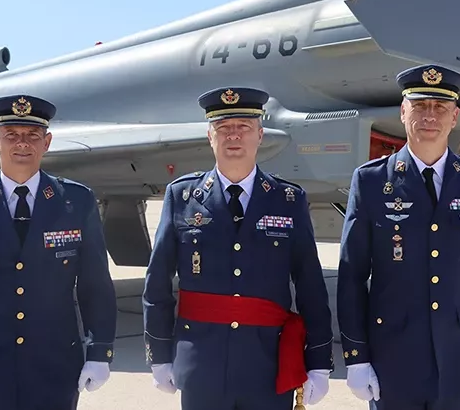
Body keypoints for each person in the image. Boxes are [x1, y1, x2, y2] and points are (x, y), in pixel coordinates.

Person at [141, 86, 334, 410]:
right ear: (210, 136)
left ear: (260, 135)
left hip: (267, 364)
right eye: (223, 128)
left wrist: (318, 361)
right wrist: (159, 354)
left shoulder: (288, 200)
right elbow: (157, 282)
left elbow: (310, 285)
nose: (233, 136)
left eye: (243, 128)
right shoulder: (182, 197)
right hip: (201, 362)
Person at [0, 94, 118, 410]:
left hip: (55, 364)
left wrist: (100, 353)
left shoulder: (75, 202)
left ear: (47, 142)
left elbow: (95, 285)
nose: (22, 144)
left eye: (32, 136)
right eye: (11, 135)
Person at [336, 65, 460, 410]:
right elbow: (352, 275)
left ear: (454, 116)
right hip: (392, 354)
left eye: (440, 107)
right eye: (420, 106)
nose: (430, 115)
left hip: (459, 355)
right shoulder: (371, 182)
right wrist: (356, 356)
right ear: (403, 112)